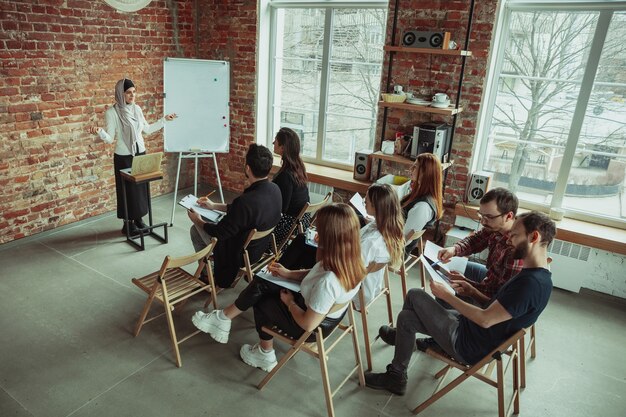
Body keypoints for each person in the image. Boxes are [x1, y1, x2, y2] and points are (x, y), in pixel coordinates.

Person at [364, 211, 555, 396]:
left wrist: (448, 296)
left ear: (534, 237)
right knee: (406, 318)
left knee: (415, 294)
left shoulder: (530, 284)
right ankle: (397, 373)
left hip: (468, 344)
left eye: (514, 235)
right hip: (473, 332)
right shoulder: (537, 274)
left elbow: (486, 319)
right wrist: (472, 290)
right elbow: (497, 308)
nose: (508, 239)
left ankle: (401, 353)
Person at [191, 203, 366, 372]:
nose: (315, 235)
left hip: (310, 326)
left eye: (319, 230)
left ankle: (264, 353)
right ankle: (223, 319)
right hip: (319, 311)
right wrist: (288, 274)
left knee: (262, 299)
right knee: (264, 282)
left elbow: (308, 324)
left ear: (330, 236)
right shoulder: (349, 259)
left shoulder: (329, 281)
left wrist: (290, 303)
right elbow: (314, 273)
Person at [88, 78, 178, 236]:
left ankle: (138, 220)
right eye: (128, 93)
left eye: (134, 92)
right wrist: (100, 132)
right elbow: (109, 138)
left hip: (140, 153)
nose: (132, 95)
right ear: (120, 94)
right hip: (123, 157)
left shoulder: (137, 109)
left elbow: (147, 130)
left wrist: (165, 120)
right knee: (127, 191)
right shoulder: (112, 112)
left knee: (140, 190)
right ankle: (127, 224)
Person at [188, 144, 282, 289]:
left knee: (195, 230)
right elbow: (241, 211)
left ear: (248, 169)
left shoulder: (245, 201)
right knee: (207, 220)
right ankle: (208, 271)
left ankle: (208, 274)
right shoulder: (275, 189)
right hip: (260, 248)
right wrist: (214, 206)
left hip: (240, 254)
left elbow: (219, 232)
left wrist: (197, 220)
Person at [437, 187, 523, 304]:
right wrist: (454, 249)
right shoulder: (495, 227)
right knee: (449, 270)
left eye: (489, 217)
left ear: (508, 216)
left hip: (494, 299)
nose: (483, 221)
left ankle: (457, 320)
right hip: (490, 277)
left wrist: (467, 283)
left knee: (445, 292)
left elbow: (497, 296)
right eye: (481, 215)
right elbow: (475, 240)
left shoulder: (515, 250)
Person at [353, 183, 405, 310]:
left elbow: (352, 271)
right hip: (372, 287)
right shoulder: (389, 229)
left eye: (367, 199)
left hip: (357, 293)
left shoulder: (372, 242)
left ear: (377, 207)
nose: (364, 200)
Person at [271, 127, 310, 246]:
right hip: (302, 221)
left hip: (288, 226)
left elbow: (281, 209)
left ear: (282, 148)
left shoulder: (286, 175)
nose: (273, 143)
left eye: (275, 141)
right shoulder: (298, 166)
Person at [400, 153, 443, 252]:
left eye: (415, 167)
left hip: (394, 250)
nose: (411, 169)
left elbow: (403, 240)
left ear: (425, 172)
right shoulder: (419, 193)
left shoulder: (422, 207)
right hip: (390, 234)